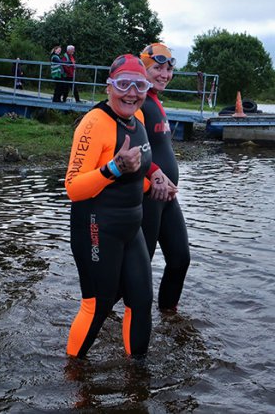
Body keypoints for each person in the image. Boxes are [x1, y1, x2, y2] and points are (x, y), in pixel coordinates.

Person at [64, 54, 156, 359]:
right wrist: (113, 168)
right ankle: (73, 375)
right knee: (98, 304)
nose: (131, 92)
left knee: (141, 301)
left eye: (139, 84)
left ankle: (137, 381)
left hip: (131, 227)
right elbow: (74, 189)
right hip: (95, 226)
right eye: (123, 84)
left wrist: (154, 179)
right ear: (109, 87)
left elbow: (137, 174)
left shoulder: (138, 119)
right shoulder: (93, 124)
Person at [139, 43, 190, 312]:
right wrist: (153, 174)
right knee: (140, 266)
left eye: (168, 69)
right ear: (142, 69)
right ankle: (101, 316)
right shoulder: (137, 100)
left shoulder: (156, 101)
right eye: (157, 68)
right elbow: (125, 142)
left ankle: (169, 317)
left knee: (180, 259)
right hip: (149, 195)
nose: (164, 74)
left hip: (167, 196)